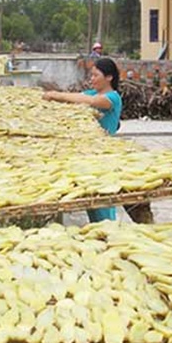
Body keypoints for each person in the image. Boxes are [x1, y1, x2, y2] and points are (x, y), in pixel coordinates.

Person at [43, 57, 122, 222]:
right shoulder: (93, 93)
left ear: (109, 77)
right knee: (90, 201)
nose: (91, 79)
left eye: (95, 75)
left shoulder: (112, 98)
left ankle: (109, 234)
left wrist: (56, 94)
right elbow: (77, 97)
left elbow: (91, 101)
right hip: (87, 156)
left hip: (103, 157)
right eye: (90, 75)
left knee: (103, 201)